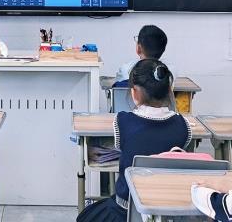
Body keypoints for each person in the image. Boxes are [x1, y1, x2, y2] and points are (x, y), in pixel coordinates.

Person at [76, 59, 191, 222]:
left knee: (85, 217)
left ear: (135, 92)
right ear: (169, 90)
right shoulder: (183, 125)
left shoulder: (122, 121)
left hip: (126, 210)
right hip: (166, 209)